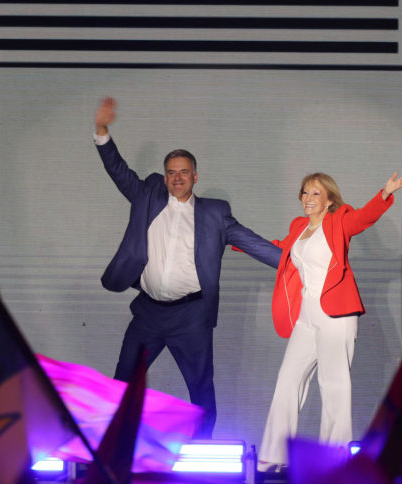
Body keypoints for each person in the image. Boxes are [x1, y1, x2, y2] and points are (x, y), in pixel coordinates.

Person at [93, 97, 281, 438]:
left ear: (195, 176)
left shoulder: (214, 213)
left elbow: (255, 244)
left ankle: (202, 449)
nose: (177, 177)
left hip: (190, 316)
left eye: (183, 172)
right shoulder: (146, 196)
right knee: (122, 382)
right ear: (164, 177)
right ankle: (113, 447)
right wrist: (103, 131)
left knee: (200, 388)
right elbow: (117, 170)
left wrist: (299, 263)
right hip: (149, 313)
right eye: (171, 172)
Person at [257, 170, 402, 472]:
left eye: (316, 193)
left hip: (335, 314)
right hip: (306, 315)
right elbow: (281, 248)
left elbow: (363, 218)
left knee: (334, 386)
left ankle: (335, 459)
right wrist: (236, 241)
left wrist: (384, 193)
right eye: (305, 192)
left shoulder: (339, 220)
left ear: (329, 200)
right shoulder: (299, 226)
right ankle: (275, 453)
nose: (308, 198)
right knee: (287, 381)